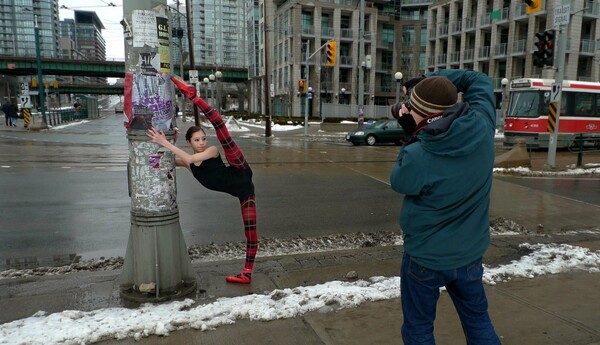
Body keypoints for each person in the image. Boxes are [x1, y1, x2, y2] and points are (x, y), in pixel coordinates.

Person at [390, 69, 501, 344]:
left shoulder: (420, 152)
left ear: (424, 116)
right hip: (470, 254)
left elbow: (400, 182)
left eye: (410, 109)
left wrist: (412, 136)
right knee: (478, 322)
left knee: (418, 329)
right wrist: (434, 79)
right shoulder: (484, 126)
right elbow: (480, 80)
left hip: (425, 259)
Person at [146, 75, 257, 284]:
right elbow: (165, 161)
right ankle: (246, 274)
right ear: (189, 141)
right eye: (197, 140)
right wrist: (166, 142)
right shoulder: (188, 163)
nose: (202, 142)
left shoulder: (212, 151)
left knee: (221, 129)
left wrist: (165, 142)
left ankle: (193, 96)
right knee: (250, 233)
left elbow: (190, 157)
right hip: (243, 192)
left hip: (240, 171)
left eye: (203, 139)